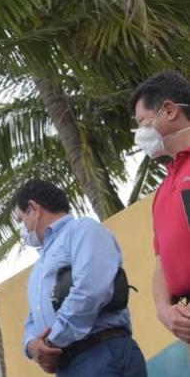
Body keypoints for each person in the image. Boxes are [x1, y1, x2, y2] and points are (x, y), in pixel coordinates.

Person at [14, 179, 146, 376]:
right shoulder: (39, 268)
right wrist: (32, 346)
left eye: (20, 219)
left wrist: (51, 341)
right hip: (67, 365)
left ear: (34, 208)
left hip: (100, 353)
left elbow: (90, 291)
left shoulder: (82, 230)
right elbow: (33, 318)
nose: (21, 229)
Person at [130, 71, 190, 355]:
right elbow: (161, 259)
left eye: (142, 122)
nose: (139, 135)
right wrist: (164, 309)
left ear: (169, 110)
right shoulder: (164, 191)